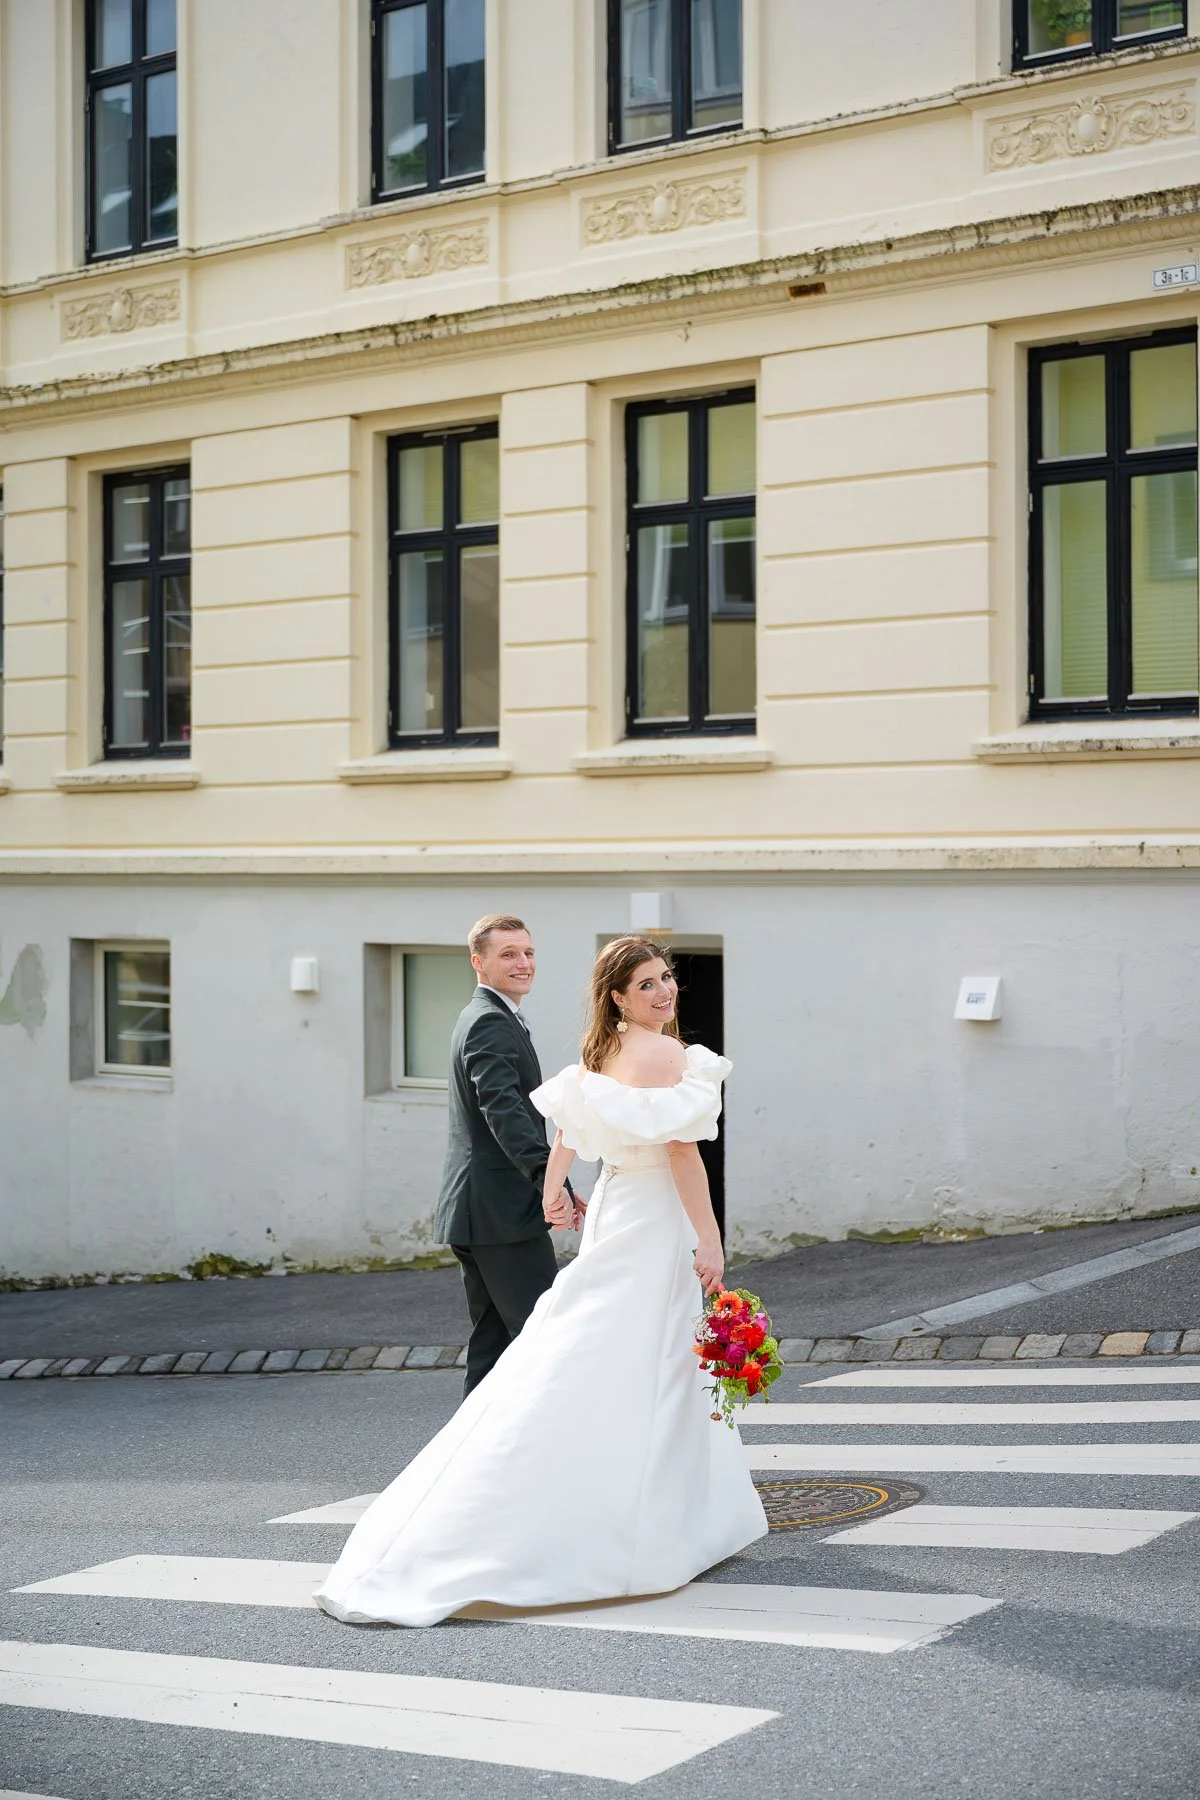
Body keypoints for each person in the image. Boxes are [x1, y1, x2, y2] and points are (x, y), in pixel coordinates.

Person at [314, 935, 767, 1629]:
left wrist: (558, 1188)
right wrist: (709, 1239)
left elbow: (567, 1129)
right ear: (618, 995)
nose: (664, 992)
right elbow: (681, 1154)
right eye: (646, 985)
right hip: (649, 1218)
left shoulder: (603, 1049)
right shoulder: (668, 1055)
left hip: (615, 1210)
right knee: (650, 1358)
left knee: (590, 1343)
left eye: (667, 979)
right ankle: (651, 1522)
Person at [434, 914, 579, 1396]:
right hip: (499, 1213)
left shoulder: (489, 1016)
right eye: (508, 954)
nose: (523, 963)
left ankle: (471, 1463)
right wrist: (549, 1182)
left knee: (494, 1347)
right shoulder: (489, 1023)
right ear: (479, 963)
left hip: (485, 1211)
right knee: (543, 1338)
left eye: (528, 953)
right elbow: (505, 1112)